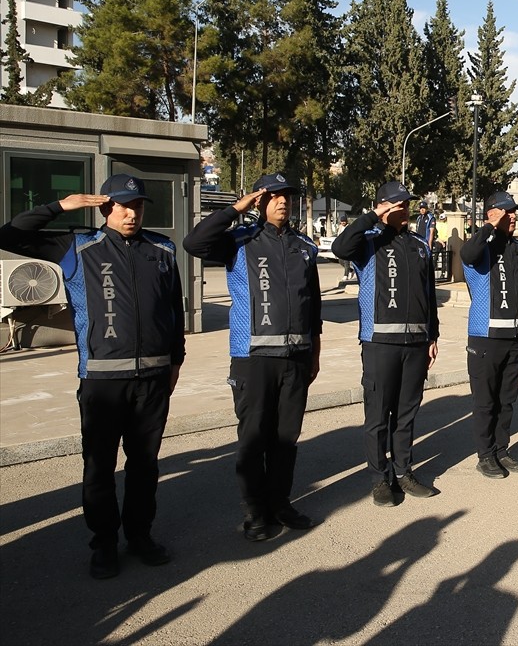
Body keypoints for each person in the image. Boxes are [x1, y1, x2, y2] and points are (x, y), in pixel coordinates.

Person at [0, 174, 184, 579]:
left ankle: (140, 536)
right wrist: (59, 207)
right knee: (99, 467)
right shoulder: (79, 246)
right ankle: (103, 543)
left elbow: (174, 309)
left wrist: (175, 360)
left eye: (136, 205)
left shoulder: (162, 248)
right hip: (102, 382)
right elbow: (9, 234)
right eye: (122, 205)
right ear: (105, 208)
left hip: (152, 379)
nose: (131, 212)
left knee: (144, 466)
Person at [183, 172, 322, 542]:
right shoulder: (238, 241)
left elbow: (314, 304)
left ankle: (280, 502)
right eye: (274, 196)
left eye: (287, 197)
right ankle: (255, 512)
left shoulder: (304, 246)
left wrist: (315, 352)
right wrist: (234, 209)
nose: (282, 202)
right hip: (253, 357)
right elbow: (194, 243)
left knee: (286, 439)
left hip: (296, 357)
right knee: (253, 439)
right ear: (259, 201)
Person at [331, 181, 439, 506]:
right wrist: (372, 217)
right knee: (378, 416)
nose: (404, 209)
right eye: (397, 204)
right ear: (383, 206)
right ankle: (380, 478)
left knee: (406, 415)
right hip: (379, 343)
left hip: (415, 345)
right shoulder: (366, 241)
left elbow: (429, 295)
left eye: (407, 204)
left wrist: (432, 336)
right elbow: (339, 248)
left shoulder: (420, 245)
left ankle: (404, 472)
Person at [460, 191, 518, 479]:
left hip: (514, 337)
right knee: (485, 401)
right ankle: (486, 455)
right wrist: (489, 226)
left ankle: (502, 449)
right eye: (506, 212)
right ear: (492, 213)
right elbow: (467, 254)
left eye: (514, 211)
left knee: (506, 400)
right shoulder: (480, 248)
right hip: (485, 337)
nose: (513, 216)